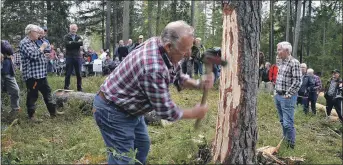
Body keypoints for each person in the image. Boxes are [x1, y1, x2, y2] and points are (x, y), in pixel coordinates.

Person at [92, 20, 213, 164]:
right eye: (185, 50)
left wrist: (198, 84)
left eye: (190, 48)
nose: (188, 54)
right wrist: (194, 113)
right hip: (112, 111)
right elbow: (166, 111)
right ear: (169, 46)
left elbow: (177, 74)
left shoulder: (161, 45)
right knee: (123, 158)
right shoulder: (153, 68)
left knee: (142, 146)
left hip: (130, 109)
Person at [20, 24, 63, 123]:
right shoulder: (24, 42)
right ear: (30, 32)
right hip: (32, 76)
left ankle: (53, 113)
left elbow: (39, 55)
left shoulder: (34, 42)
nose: (39, 34)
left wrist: (45, 56)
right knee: (33, 96)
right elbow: (33, 55)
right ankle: (32, 116)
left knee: (48, 93)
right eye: (37, 32)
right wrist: (43, 47)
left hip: (41, 75)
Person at [274, 41, 302, 149]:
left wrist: (288, 94)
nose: (278, 52)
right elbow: (279, 78)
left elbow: (298, 81)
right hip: (278, 95)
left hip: (287, 97)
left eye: (279, 49)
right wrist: (276, 92)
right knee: (282, 121)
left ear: (287, 50)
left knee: (287, 123)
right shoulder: (280, 61)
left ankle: (291, 146)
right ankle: (285, 141)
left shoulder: (294, 62)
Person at [1, 40, 21, 122]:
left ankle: (15, 110)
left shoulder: (4, 42)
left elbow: (10, 50)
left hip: (8, 71)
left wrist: (5, 56)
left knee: (15, 90)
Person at [63, 24, 83, 91]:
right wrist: (76, 43)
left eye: (74, 28)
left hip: (78, 57)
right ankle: (66, 87)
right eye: (72, 28)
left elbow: (81, 43)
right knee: (68, 73)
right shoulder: (66, 36)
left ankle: (79, 88)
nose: (73, 30)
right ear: (70, 29)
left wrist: (71, 43)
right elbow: (67, 45)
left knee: (79, 74)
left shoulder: (79, 36)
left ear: (77, 29)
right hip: (69, 57)